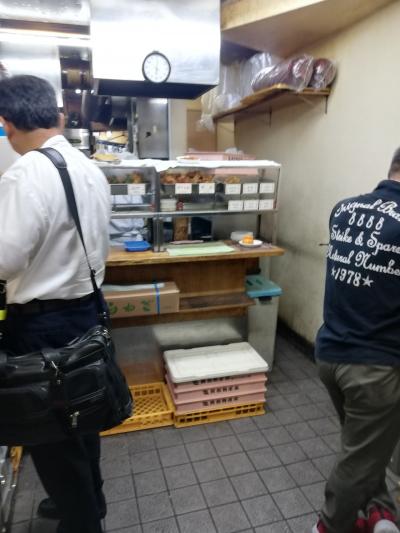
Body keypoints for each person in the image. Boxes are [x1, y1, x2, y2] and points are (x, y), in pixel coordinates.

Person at [0, 75, 110, 533]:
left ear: (7, 123)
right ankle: (91, 501)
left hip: (44, 322)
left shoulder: (26, 174)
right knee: (84, 413)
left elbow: (5, 260)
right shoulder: (88, 167)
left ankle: (82, 521)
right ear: (56, 115)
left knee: (51, 436)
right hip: (87, 310)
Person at [313, 149, 400, 533]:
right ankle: (328, 527)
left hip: (329, 355)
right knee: (360, 458)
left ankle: (380, 512)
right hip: (374, 368)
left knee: (365, 446)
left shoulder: (344, 209)